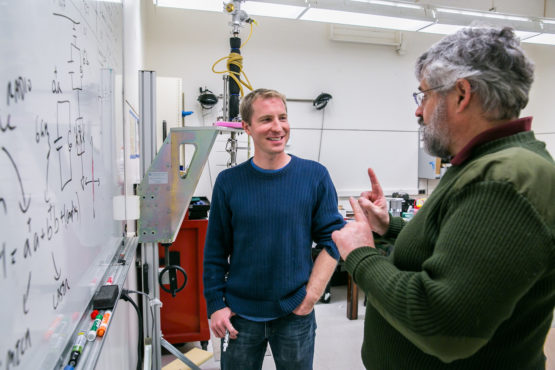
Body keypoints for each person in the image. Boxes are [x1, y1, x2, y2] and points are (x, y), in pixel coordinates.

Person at [332, 26, 555, 369]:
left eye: (424, 95)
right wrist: (389, 227)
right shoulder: (487, 164)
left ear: (462, 94)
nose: (418, 112)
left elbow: (444, 326)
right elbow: (457, 247)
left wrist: (360, 255)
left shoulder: (503, 180)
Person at [203, 88, 345, 369]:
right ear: (247, 127)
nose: (278, 127)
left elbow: (333, 240)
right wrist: (215, 304)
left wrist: (311, 297)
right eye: (266, 119)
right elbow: (215, 250)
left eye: (283, 117)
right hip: (240, 316)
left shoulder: (315, 176)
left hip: (294, 314)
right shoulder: (229, 182)